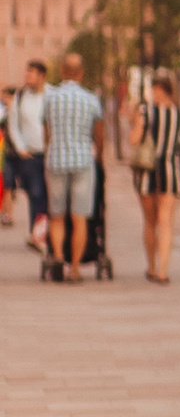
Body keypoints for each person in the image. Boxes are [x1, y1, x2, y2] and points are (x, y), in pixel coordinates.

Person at [39, 62, 103, 275]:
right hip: (83, 161)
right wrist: (99, 158)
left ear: (62, 72)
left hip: (56, 159)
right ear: (81, 73)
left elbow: (46, 131)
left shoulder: (50, 98)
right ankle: (74, 267)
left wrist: (49, 150)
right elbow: (99, 133)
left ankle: (58, 256)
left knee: (57, 215)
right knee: (79, 217)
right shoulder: (91, 98)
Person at [127, 68, 180, 282]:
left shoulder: (146, 112)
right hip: (171, 170)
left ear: (159, 89)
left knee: (150, 222)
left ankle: (151, 266)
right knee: (166, 221)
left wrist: (133, 122)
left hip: (147, 172)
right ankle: (163, 271)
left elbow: (134, 140)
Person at [7, 60, 49, 250]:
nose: (27, 77)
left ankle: (46, 232)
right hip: (30, 155)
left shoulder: (52, 95)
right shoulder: (21, 97)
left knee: (49, 195)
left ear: (42, 76)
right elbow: (13, 124)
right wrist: (21, 148)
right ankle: (36, 233)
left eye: (31, 73)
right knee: (36, 193)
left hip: (50, 154)